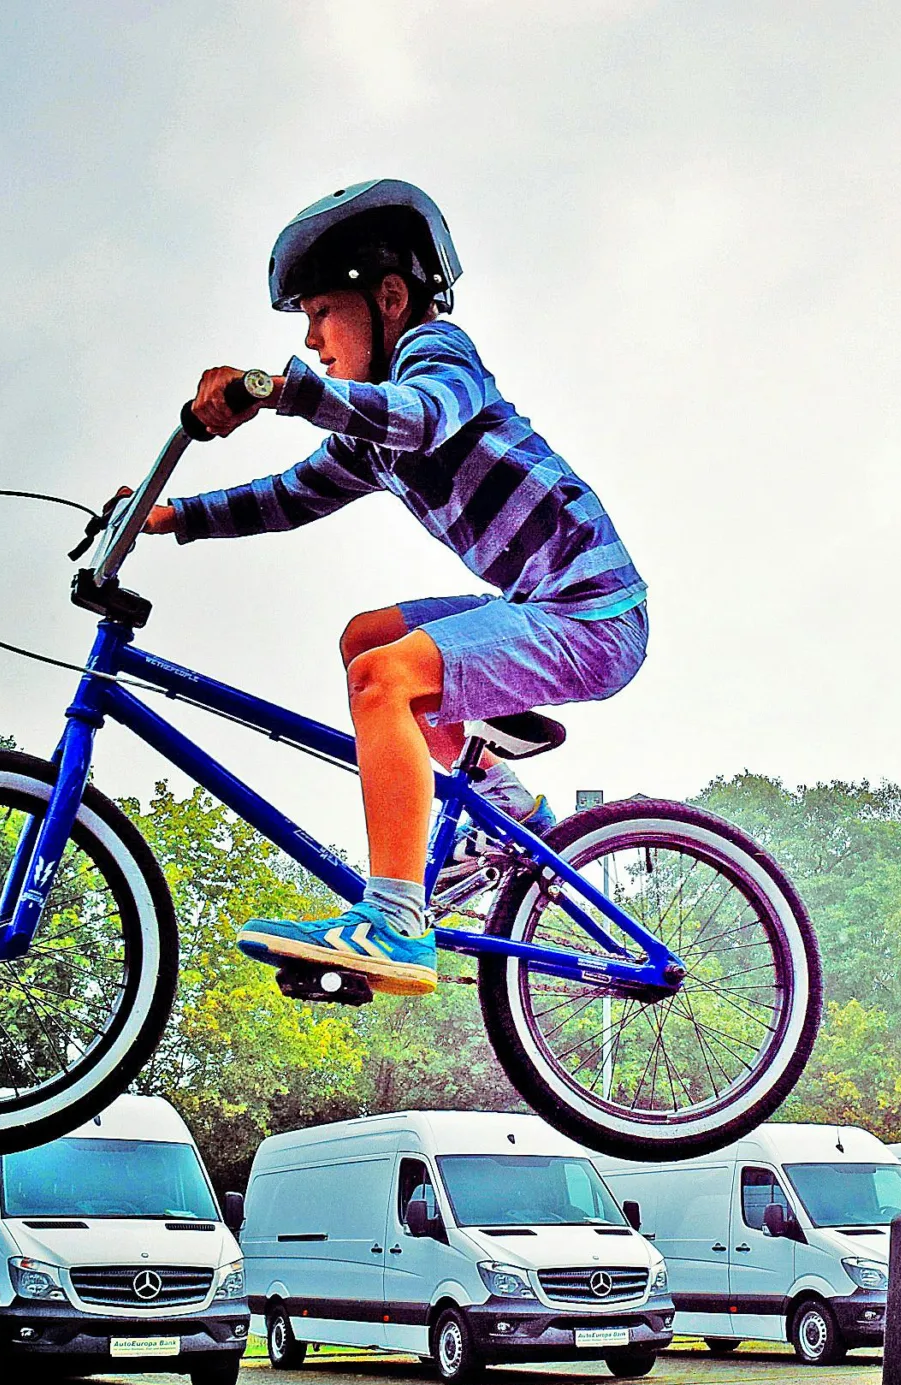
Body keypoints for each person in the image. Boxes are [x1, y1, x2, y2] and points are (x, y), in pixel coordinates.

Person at [136, 179, 646, 997]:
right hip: (536, 606)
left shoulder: (437, 355)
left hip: (590, 611)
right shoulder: (364, 443)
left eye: (319, 317)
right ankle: (504, 810)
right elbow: (287, 496)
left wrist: (280, 390)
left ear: (390, 297)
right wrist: (175, 517)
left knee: (386, 677)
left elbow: (414, 415)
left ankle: (396, 920)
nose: (314, 342)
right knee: (365, 639)